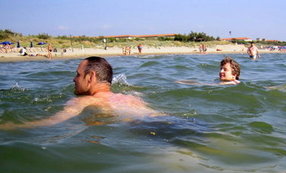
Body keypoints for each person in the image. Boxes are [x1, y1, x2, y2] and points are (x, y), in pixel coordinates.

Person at [0, 57, 163, 130]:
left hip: (147, 130)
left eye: (78, 74)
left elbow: (51, 122)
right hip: (167, 121)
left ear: (90, 77)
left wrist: (11, 126)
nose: (74, 79)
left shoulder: (85, 101)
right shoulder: (131, 97)